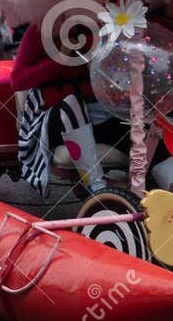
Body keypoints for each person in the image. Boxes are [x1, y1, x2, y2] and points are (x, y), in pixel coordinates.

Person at [10, 21, 108, 196]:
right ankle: (98, 188)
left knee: (140, 110)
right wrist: (60, 59)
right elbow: (18, 81)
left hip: (96, 112)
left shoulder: (102, 27)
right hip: (50, 118)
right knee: (71, 104)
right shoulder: (40, 30)